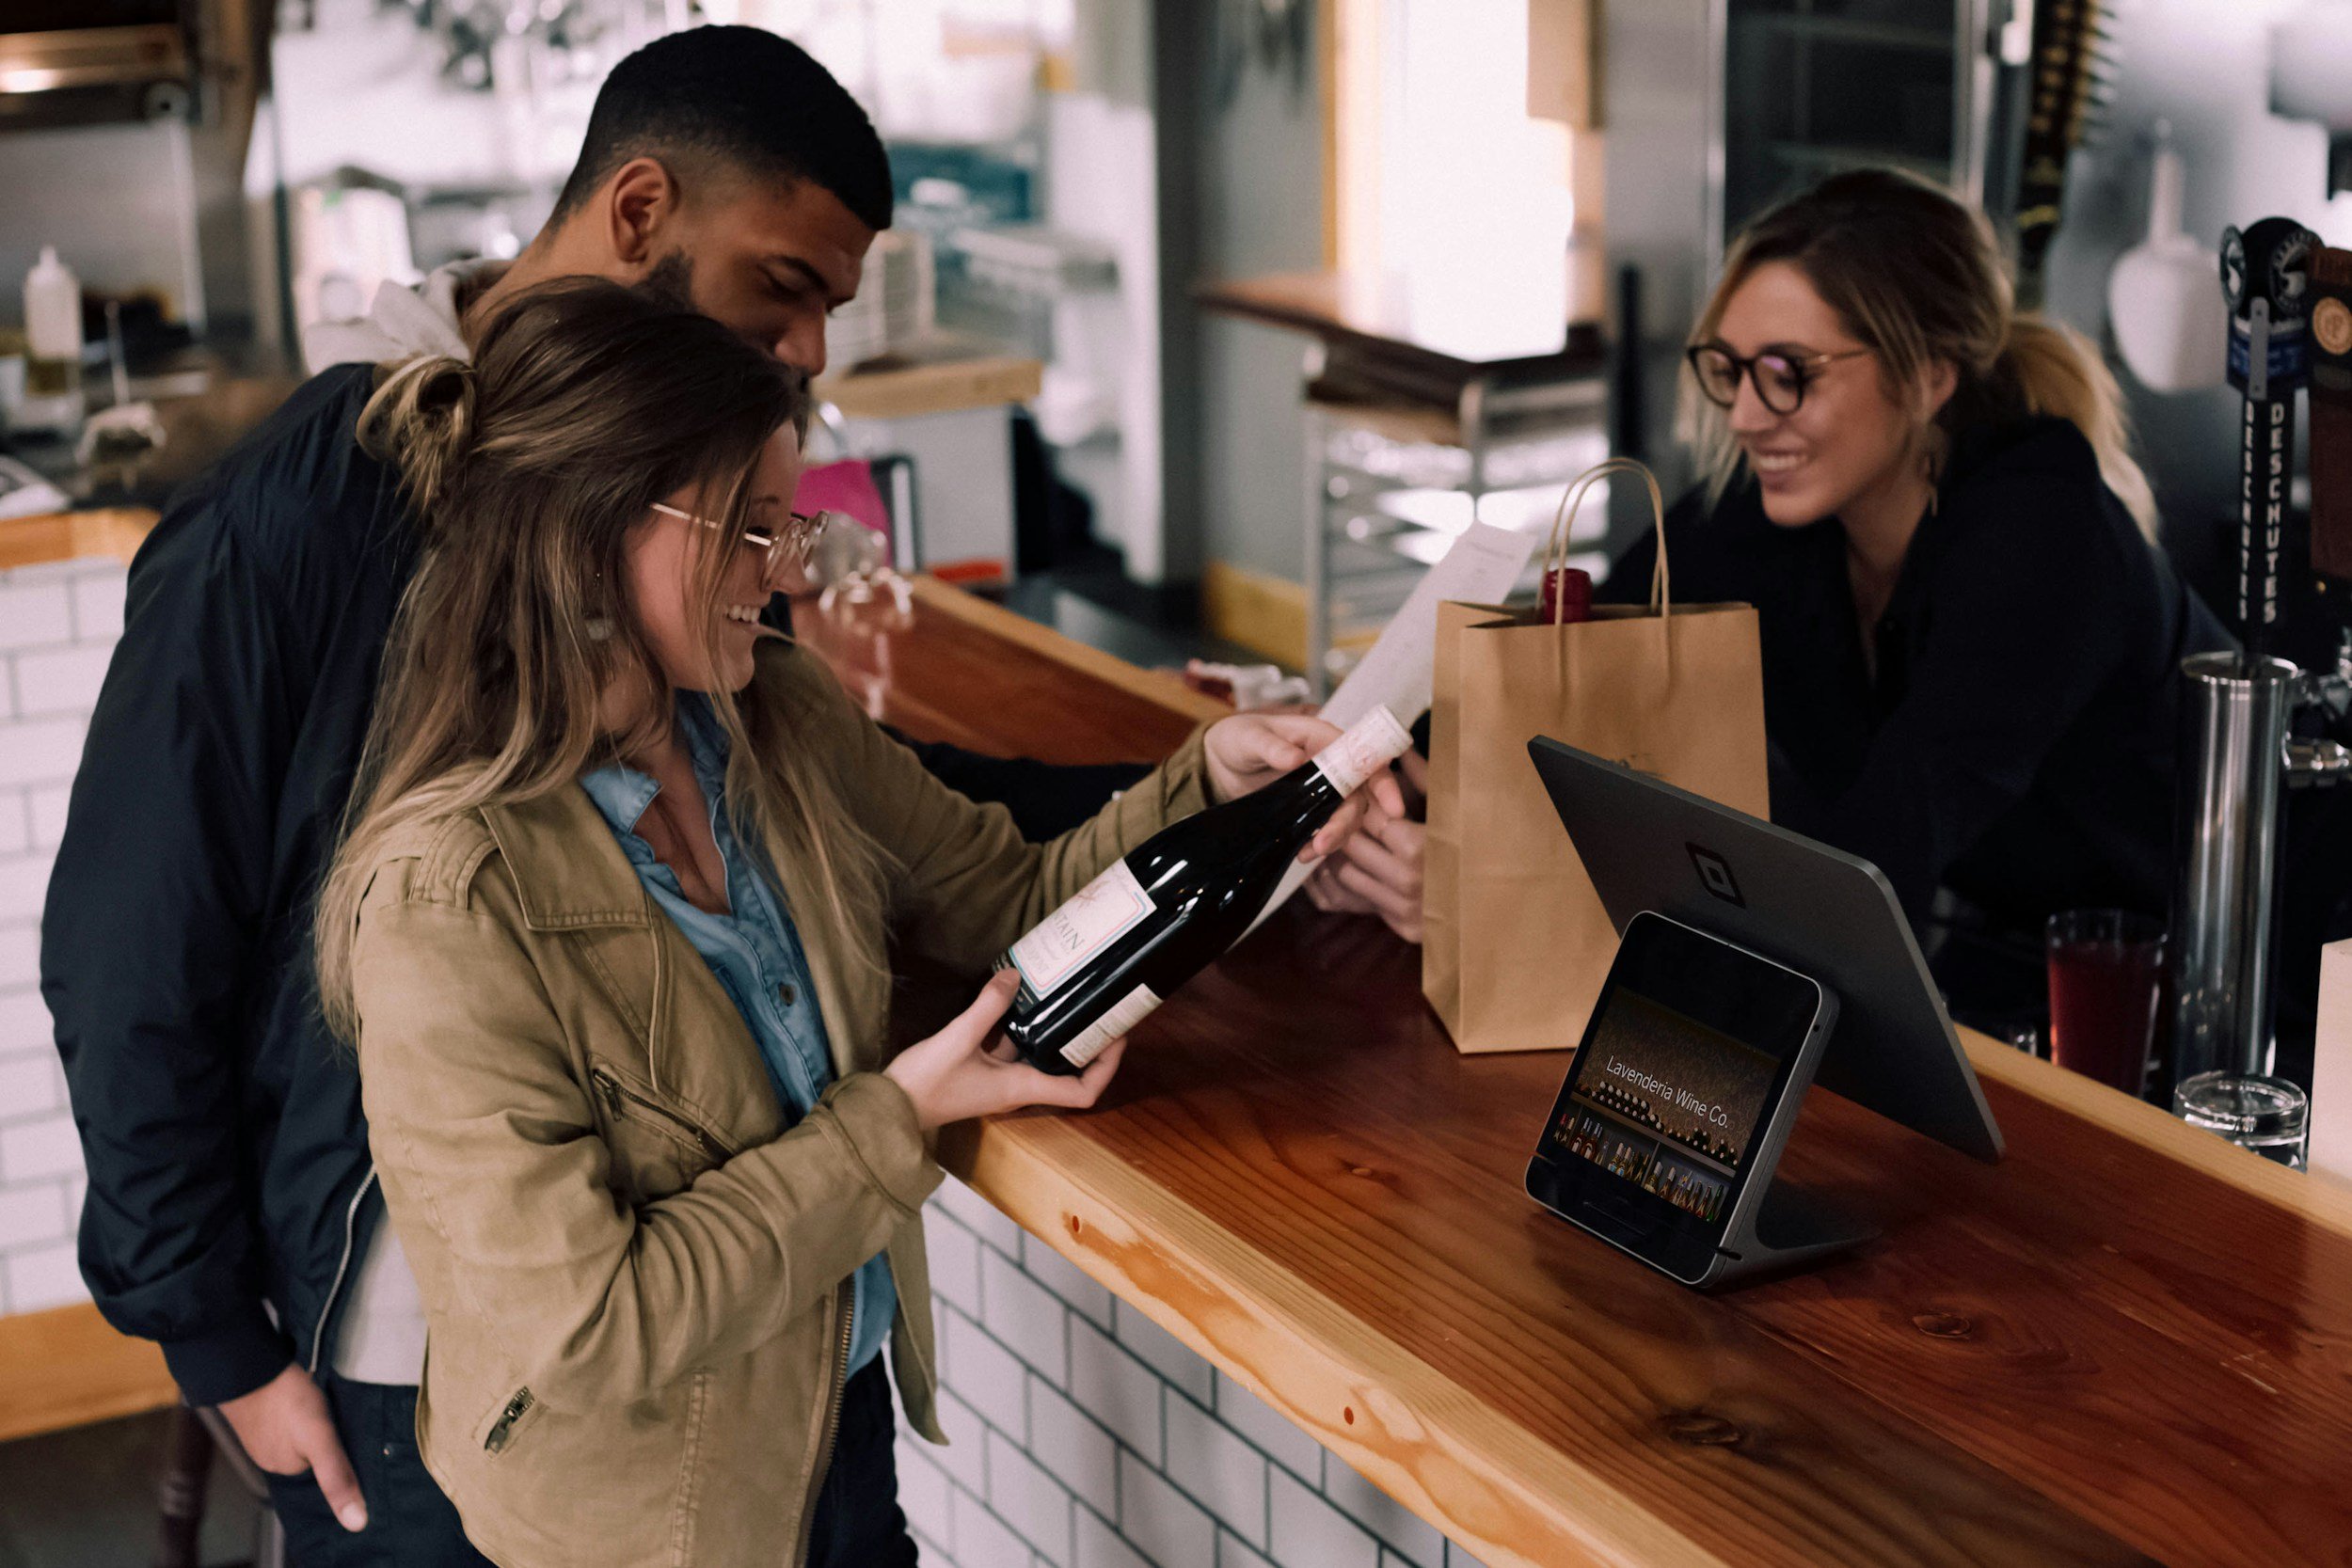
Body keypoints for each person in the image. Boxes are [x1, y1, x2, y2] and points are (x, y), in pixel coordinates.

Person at [39, 25, 1417, 1565]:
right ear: (639, 217)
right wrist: (214, 1336)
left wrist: (1212, 797)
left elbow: (926, 835)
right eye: (788, 288)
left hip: (782, 1358)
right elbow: (131, 946)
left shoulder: (730, 691)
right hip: (447, 1373)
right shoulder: (314, 532)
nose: (815, 350)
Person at [316, 277, 1394, 1565]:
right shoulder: (447, 897)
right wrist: (897, 1120)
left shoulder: (775, 716)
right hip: (645, 1524)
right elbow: (591, 1324)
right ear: (590, 529)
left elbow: (1007, 895)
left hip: (833, 1426)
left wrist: (1204, 785)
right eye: (747, 526)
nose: (783, 571)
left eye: (789, 523)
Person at [1601, 168, 2233, 1019]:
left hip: (2244, 976)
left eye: (1791, 372)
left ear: (1929, 377)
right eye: (1731, 369)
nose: (1747, 415)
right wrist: (1389, 778)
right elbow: (1570, 638)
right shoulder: (1777, 508)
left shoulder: (2040, 529)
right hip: (2045, 955)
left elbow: (1878, 856)